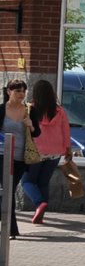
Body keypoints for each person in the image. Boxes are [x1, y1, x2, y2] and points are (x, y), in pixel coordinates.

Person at [17, 79, 68, 225]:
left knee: (27, 181)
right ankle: (41, 212)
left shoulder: (30, 109)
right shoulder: (59, 110)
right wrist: (67, 149)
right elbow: (66, 131)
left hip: (36, 151)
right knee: (43, 182)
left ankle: (40, 204)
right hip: (55, 152)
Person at [3, 80, 30, 239]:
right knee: (5, 191)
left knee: (9, 191)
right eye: (17, 91)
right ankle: (11, 229)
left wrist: (31, 125)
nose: (21, 94)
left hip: (20, 158)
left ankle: (10, 227)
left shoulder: (28, 110)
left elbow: (37, 133)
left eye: (23, 91)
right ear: (8, 91)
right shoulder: (1, 110)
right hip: (2, 155)